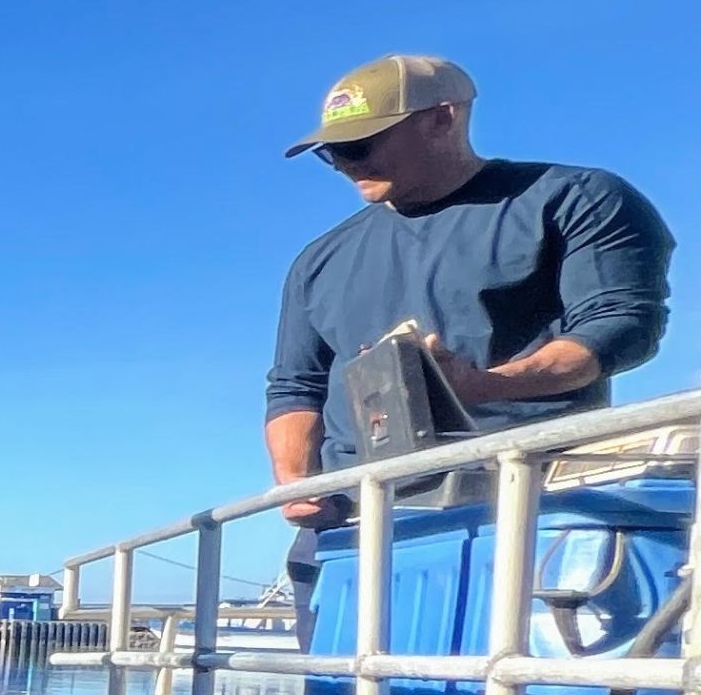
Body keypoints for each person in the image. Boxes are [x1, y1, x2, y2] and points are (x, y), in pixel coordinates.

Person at [266, 55, 673, 622]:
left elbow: (618, 328)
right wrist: (293, 480)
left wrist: (477, 386)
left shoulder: (574, 197)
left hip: (521, 507)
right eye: (330, 152)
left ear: (442, 118)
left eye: (360, 144)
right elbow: (294, 386)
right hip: (348, 530)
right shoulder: (317, 261)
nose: (342, 163)